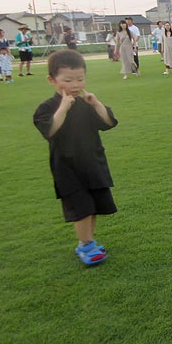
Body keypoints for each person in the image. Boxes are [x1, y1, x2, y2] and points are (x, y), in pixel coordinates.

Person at [33, 50, 119, 266]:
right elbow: (50, 130)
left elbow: (109, 122)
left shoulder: (86, 104)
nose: (74, 84)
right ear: (52, 80)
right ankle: (86, 244)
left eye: (80, 79)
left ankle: (88, 241)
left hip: (92, 163)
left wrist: (96, 103)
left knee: (94, 205)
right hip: (67, 168)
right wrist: (63, 107)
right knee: (81, 207)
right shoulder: (46, 109)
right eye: (67, 80)